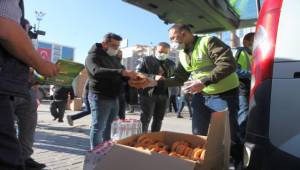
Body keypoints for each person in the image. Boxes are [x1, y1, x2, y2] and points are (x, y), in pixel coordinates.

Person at [130, 24, 242, 167]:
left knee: (229, 133)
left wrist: (203, 81)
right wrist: (154, 83)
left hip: (224, 94)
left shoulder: (208, 41)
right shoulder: (183, 54)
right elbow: (178, 78)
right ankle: (202, 162)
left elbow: (228, 63)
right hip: (201, 95)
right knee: (198, 134)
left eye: (172, 38)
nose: (171, 41)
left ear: (183, 34)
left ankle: (236, 162)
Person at [0, 0, 58, 169]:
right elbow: (5, 26)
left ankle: (25, 157)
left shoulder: (23, 22)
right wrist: (41, 64)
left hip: (17, 86)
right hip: (6, 85)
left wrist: (33, 75)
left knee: (25, 128)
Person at [85, 33, 137, 149]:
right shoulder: (92, 56)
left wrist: (130, 79)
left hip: (114, 97)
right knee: (98, 126)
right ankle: (96, 152)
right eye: (114, 46)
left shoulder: (114, 58)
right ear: (104, 44)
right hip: (100, 96)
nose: (116, 49)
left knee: (111, 126)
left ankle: (106, 149)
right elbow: (96, 71)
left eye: (118, 46)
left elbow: (121, 72)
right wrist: (121, 72)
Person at [136, 42, 176, 132]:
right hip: (148, 94)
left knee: (159, 119)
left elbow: (174, 77)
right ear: (155, 50)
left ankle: (155, 139)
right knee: (145, 119)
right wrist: (153, 77)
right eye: (160, 51)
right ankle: (142, 139)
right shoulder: (146, 59)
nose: (162, 54)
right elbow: (138, 74)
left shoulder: (171, 64)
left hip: (164, 95)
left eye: (166, 53)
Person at [235, 32, 255, 140]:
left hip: (251, 88)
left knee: (250, 114)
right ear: (246, 42)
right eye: (254, 40)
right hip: (242, 89)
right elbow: (235, 70)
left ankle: (244, 138)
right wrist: (251, 73)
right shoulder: (240, 52)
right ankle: (239, 141)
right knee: (244, 113)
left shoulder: (254, 54)